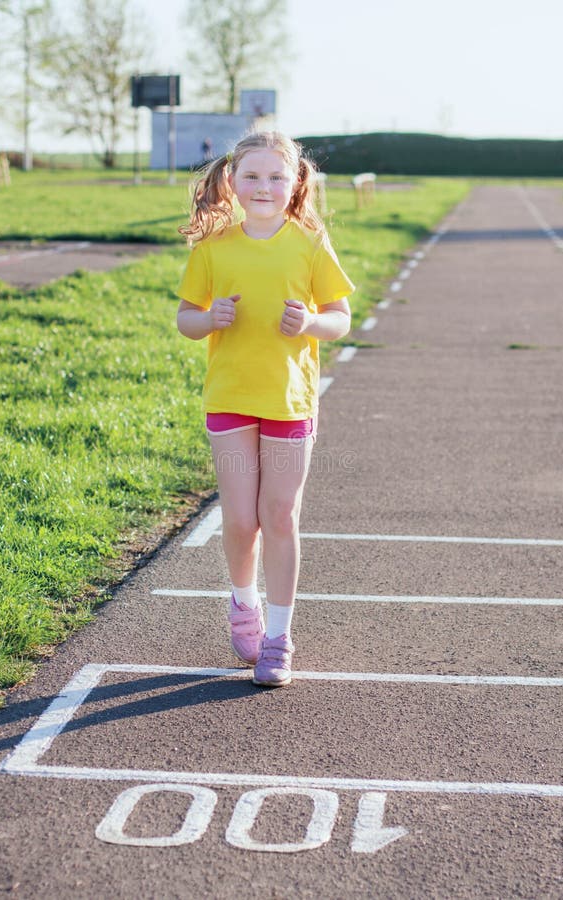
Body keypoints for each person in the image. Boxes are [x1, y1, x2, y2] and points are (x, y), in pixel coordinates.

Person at [176, 131, 354, 687]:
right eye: (251, 175)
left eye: (276, 176)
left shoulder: (310, 243)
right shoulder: (213, 247)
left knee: (279, 515)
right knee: (240, 519)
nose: (263, 186)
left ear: (296, 182)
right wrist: (210, 318)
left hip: (288, 401)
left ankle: (278, 636)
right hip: (230, 398)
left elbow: (340, 317)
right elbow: (186, 319)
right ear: (232, 180)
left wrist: (311, 322)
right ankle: (243, 602)